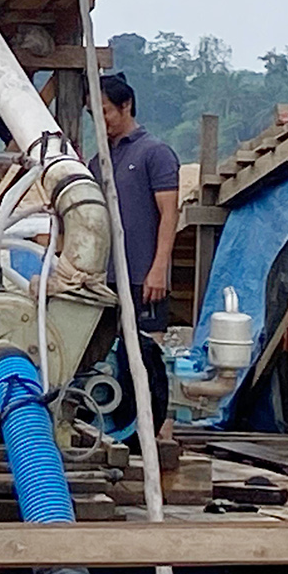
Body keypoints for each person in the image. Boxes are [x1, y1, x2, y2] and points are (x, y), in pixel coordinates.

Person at [90, 72, 178, 441]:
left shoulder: (154, 153)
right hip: (105, 276)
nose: (102, 119)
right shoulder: (100, 161)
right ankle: (119, 430)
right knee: (107, 355)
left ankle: (157, 430)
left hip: (144, 273)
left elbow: (170, 214)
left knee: (149, 355)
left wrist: (159, 268)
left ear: (125, 106)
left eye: (106, 110)